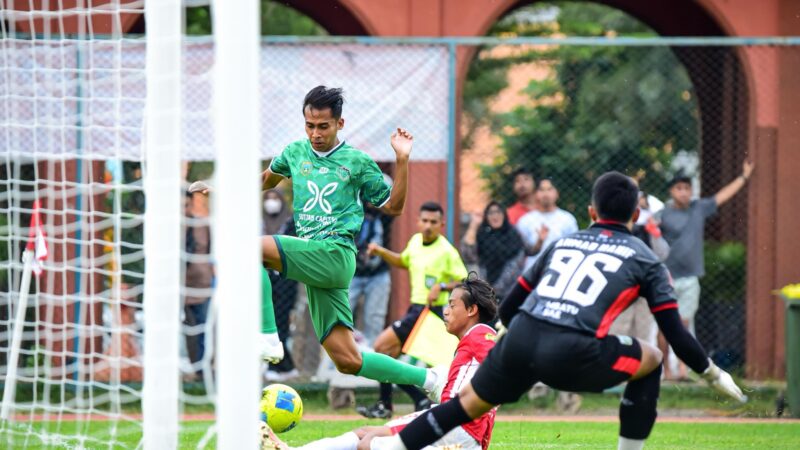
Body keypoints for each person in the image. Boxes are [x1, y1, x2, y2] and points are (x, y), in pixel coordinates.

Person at [372, 171, 746, 450]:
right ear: (636, 213)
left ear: (589, 211)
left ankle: (389, 446)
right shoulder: (644, 257)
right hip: (574, 355)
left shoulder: (563, 242)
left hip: (520, 342)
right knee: (650, 356)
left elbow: (512, 303)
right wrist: (712, 375)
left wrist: (504, 351)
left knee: (461, 407)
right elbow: (676, 333)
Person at [259, 86, 447, 394]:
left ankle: (268, 335)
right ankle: (430, 380)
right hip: (315, 261)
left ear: (339, 124)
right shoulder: (294, 152)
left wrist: (402, 161)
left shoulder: (356, 161)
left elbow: (393, 207)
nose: (315, 133)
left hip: (335, 254)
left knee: (249, 247)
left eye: (323, 126)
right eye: (310, 126)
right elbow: (267, 180)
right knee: (347, 359)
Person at [262, 275, 499, 450]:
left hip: (454, 426)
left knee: (368, 442)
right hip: (467, 436)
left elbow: (497, 362)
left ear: (472, 310)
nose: (446, 311)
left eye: (452, 305)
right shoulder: (473, 341)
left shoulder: (481, 334)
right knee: (367, 436)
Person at [357, 201, 469, 418]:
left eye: (433, 222)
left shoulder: (446, 251)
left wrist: (442, 286)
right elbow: (403, 261)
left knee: (381, 348)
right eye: (424, 221)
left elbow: (464, 280)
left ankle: (394, 404)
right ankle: (405, 402)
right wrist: (381, 252)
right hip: (416, 310)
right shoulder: (416, 242)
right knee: (387, 354)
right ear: (418, 221)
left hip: (431, 312)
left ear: (441, 224)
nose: (428, 226)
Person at [656, 161, 754, 380]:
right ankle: (667, 370)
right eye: (679, 188)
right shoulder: (662, 214)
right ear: (672, 191)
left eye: (687, 188)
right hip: (666, 277)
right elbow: (649, 234)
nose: (683, 193)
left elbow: (722, 196)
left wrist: (744, 177)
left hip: (690, 277)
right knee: (664, 325)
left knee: (683, 323)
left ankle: (682, 369)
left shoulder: (698, 208)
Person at [262, 189, 300, 381]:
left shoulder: (290, 222)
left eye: (275, 198)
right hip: (263, 281)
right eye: (267, 198)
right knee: (266, 324)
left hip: (284, 282)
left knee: (279, 325)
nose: (271, 202)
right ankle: (286, 366)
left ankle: (276, 365)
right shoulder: (258, 222)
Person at [460, 201, 524, 299]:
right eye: (491, 213)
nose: (495, 216)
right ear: (486, 216)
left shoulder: (513, 234)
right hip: (483, 291)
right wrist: (474, 225)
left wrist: (496, 288)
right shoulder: (481, 233)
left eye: (498, 212)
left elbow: (516, 263)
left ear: (504, 215)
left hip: (507, 291)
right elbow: (468, 256)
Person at [350, 203, 392, 345]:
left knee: (375, 319)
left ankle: (371, 357)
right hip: (351, 272)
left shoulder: (385, 215)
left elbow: (395, 206)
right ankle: (335, 361)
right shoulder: (352, 208)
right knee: (340, 317)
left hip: (378, 274)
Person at [183, 182, 214, 378]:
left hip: (201, 285)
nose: (183, 210)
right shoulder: (170, 227)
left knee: (203, 328)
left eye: (186, 205)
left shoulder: (202, 225)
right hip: (179, 287)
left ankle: (204, 371)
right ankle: (193, 369)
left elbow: (208, 250)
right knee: (187, 331)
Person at [516, 178, 578, 269]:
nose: (545, 194)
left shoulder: (568, 219)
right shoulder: (525, 220)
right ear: (536, 194)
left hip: (559, 271)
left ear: (557, 193)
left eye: (549, 189)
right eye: (541, 190)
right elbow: (519, 252)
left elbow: (574, 249)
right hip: (531, 274)